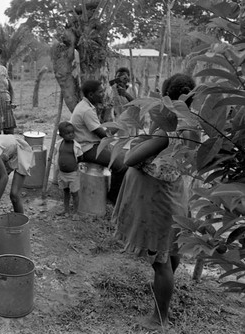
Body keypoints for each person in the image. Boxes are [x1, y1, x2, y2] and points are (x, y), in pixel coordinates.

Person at [113, 73, 196, 330]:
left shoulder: (167, 130)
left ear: (166, 97)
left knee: (161, 261)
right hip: (173, 194)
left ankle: (159, 317)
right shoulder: (192, 123)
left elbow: (129, 160)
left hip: (158, 201)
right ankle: (164, 291)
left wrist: (140, 140)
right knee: (170, 251)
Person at [70, 79, 127, 204]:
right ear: (91, 95)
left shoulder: (85, 106)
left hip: (90, 144)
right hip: (86, 148)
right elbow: (103, 135)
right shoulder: (86, 110)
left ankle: (114, 194)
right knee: (122, 166)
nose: (103, 94)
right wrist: (121, 123)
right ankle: (113, 197)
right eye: (100, 92)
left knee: (122, 155)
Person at [54, 121, 83, 215]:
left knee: (75, 193)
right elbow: (57, 155)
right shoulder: (59, 144)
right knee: (65, 192)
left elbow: (80, 158)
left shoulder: (76, 146)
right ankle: (66, 210)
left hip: (73, 174)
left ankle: (75, 213)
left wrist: (75, 166)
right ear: (61, 135)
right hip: (62, 174)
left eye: (72, 132)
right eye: (68, 133)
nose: (71, 135)